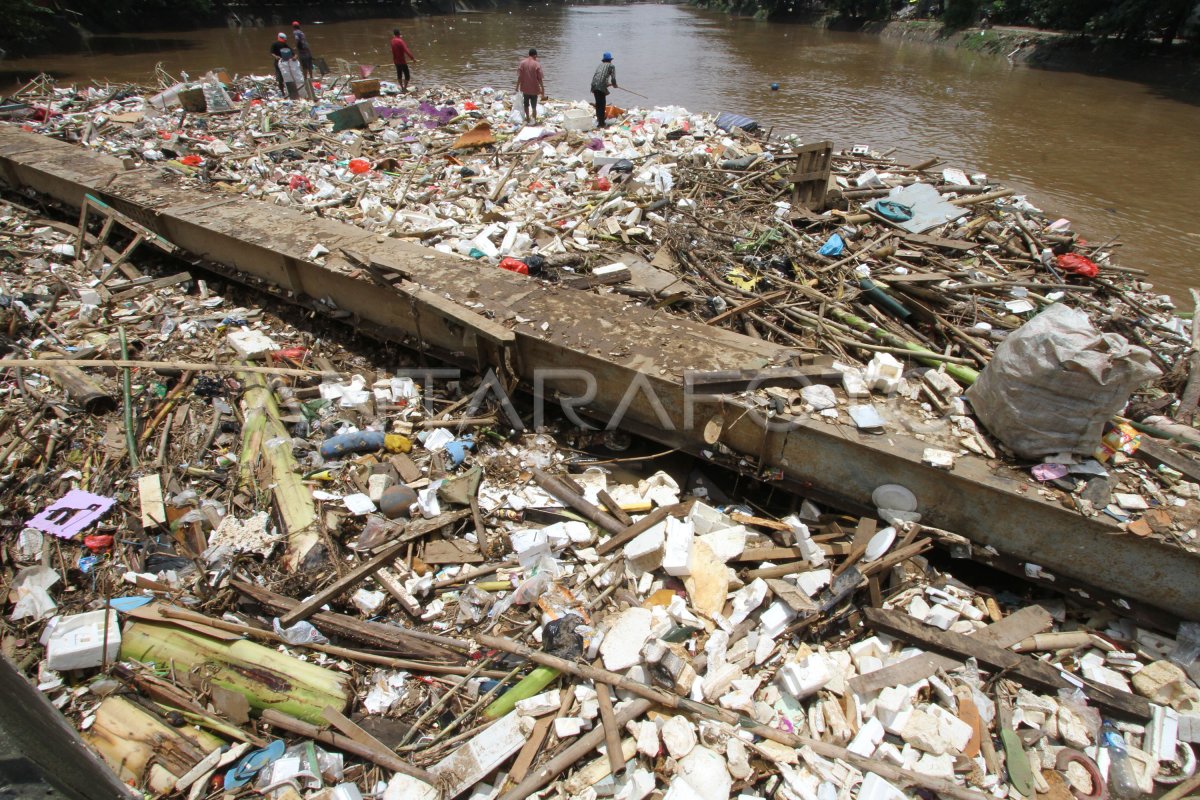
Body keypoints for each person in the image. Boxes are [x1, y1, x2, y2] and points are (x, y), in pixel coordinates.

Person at [516, 48, 545, 124]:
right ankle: (534, 120)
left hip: (525, 89)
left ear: (528, 55)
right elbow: (540, 79)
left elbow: (520, 77)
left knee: (526, 104)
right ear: (535, 55)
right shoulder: (537, 64)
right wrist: (542, 89)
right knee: (534, 106)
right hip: (534, 89)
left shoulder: (522, 63)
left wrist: (517, 86)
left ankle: (528, 118)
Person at [590, 52, 617, 129]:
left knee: (598, 105)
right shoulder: (611, 66)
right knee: (602, 105)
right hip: (600, 87)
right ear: (610, 60)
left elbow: (598, 78)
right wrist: (614, 85)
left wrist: (608, 84)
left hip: (594, 86)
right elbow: (613, 78)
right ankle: (601, 124)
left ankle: (599, 121)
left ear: (604, 60)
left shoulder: (600, 65)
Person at [292, 21, 315, 98]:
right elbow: (304, 41)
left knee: (304, 65)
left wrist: (296, 47)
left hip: (302, 51)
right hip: (307, 50)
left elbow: (297, 40)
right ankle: (311, 78)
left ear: (293, 27)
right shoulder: (302, 32)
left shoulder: (295, 32)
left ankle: (305, 79)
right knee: (309, 64)